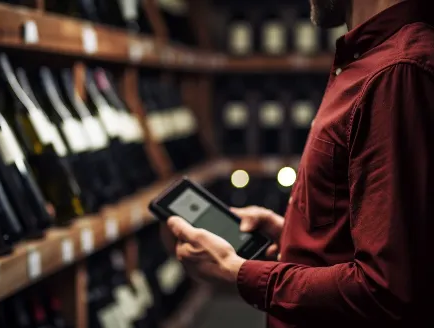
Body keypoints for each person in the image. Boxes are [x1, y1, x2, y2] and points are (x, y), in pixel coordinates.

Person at [162, 0, 434, 327]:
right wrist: (298, 237)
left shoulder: (396, 72)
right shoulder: (369, 62)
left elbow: (386, 289)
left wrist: (236, 271)